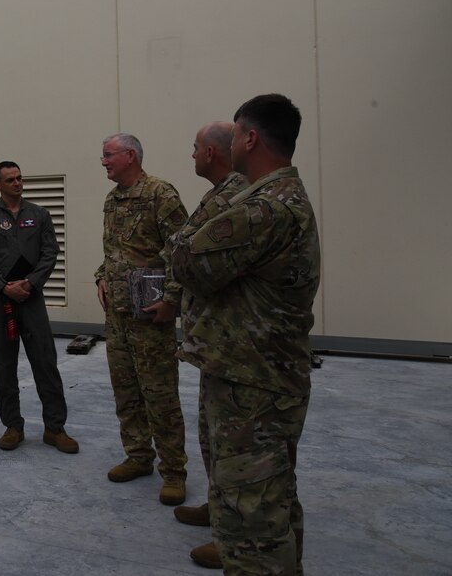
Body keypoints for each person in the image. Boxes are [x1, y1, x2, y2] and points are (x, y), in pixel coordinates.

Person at [170, 94, 320, 575]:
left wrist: (183, 241)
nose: (228, 142)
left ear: (250, 138)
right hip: (253, 374)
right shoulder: (271, 199)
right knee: (268, 500)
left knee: (253, 523)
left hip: (253, 383)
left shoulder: (265, 209)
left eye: (234, 134)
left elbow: (187, 260)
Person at [167, 122, 249, 568]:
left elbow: (192, 252)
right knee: (214, 438)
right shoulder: (221, 192)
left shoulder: (235, 195)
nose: (192, 154)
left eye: (196, 148)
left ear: (213, 152)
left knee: (235, 447)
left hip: (235, 345)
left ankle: (234, 536)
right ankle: (220, 509)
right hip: (215, 344)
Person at [95, 133, 188, 505]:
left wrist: (172, 301)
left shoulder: (160, 194)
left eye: (107, 155)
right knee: (126, 392)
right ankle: (138, 456)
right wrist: (101, 275)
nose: (102, 161)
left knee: (160, 395)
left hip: (150, 314)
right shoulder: (112, 199)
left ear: (130, 155)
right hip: (117, 315)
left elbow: (183, 251)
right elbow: (115, 250)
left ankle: (174, 471)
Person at [0, 161, 78, 454]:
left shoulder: (39, 215)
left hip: (31, 298)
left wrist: (30, 283)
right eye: (10, 180)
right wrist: (4, 287)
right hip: (0, 301)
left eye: (19, 178)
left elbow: (50, 252)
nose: (17, 183)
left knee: (45, 361)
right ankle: (12, 426)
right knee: (5, 366)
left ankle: (55, 428)